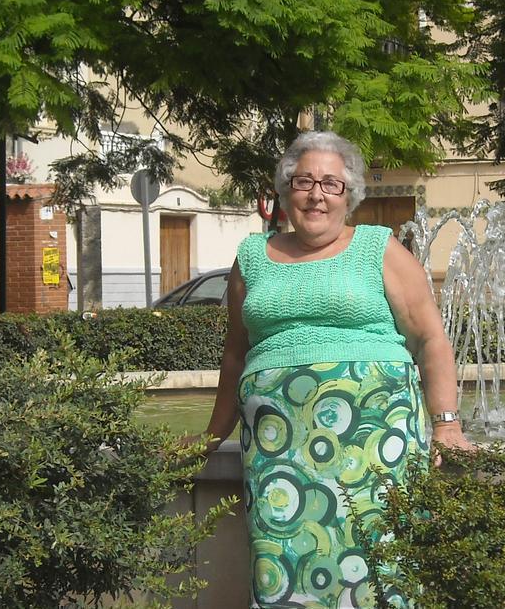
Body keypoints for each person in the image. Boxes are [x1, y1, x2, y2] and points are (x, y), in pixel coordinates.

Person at [193, 131, 472, 608]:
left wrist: (446, 423)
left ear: (350, 195)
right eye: (303, 181)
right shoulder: (252, 258)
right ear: (285, 192)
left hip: (375, 442)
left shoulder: (378, 248)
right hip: (279, 448)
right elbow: (236, 352)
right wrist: (212, 435)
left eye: (330, 183)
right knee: (282, 564)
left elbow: (430, 338)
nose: (316, 194)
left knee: (383, 568)